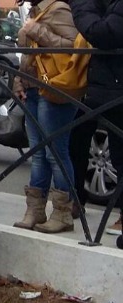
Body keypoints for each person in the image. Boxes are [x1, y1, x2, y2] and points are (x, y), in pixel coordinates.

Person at [11, 0, 80, 234]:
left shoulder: (59, 9)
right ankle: (35, 210)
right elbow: (30, 56)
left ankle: (62, 212)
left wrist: (37, 30)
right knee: (38, 154)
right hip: (33, 88)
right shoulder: (35, 12)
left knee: (55, 153)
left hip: (54, 89)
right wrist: (18, 80)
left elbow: (73, 48)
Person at [70, 0, 123, 235]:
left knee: (120, 155)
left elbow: (103, 34)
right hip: (100, 89)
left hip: (114, 90)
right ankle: (75, 201)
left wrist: (80, 4)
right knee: (76, 141)